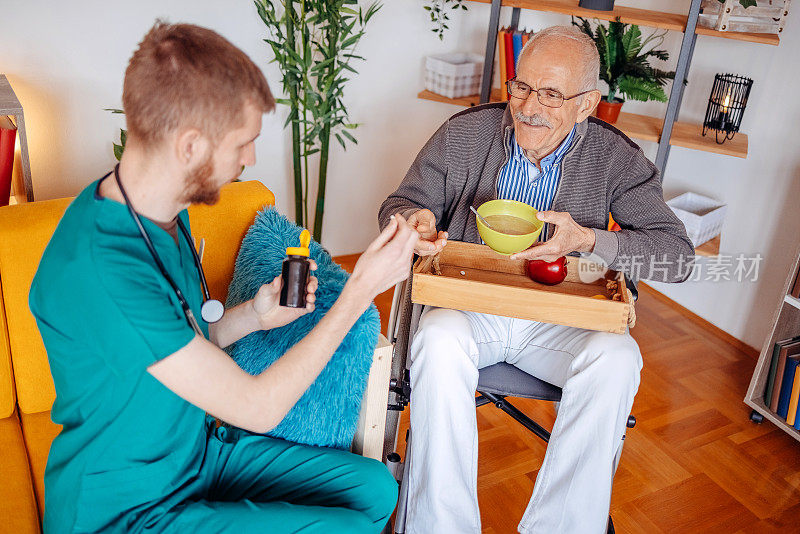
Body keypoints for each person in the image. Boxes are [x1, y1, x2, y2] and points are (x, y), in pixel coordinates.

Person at [30, 22, 417, 533]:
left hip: (193, 454)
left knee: (372, 490)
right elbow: (258, 408)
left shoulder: (162, 211)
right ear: (190, 146)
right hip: (128, 508)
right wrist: (362, 290)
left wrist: (255, 317)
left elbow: (186, 334)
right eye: (243, 143)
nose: (250, 160)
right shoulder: (105, 270)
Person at [379, 26, 695, 534]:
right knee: (436, 340)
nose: (528, 106)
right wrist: (413, 219)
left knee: (619, 358)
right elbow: (397, 205)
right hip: (470, 305)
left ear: (588, 103)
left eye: (552, 94)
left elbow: (677, 258)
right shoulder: (464, 134)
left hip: (559, 319)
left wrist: (591, 240)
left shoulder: (617, 158)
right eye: (522, 87)